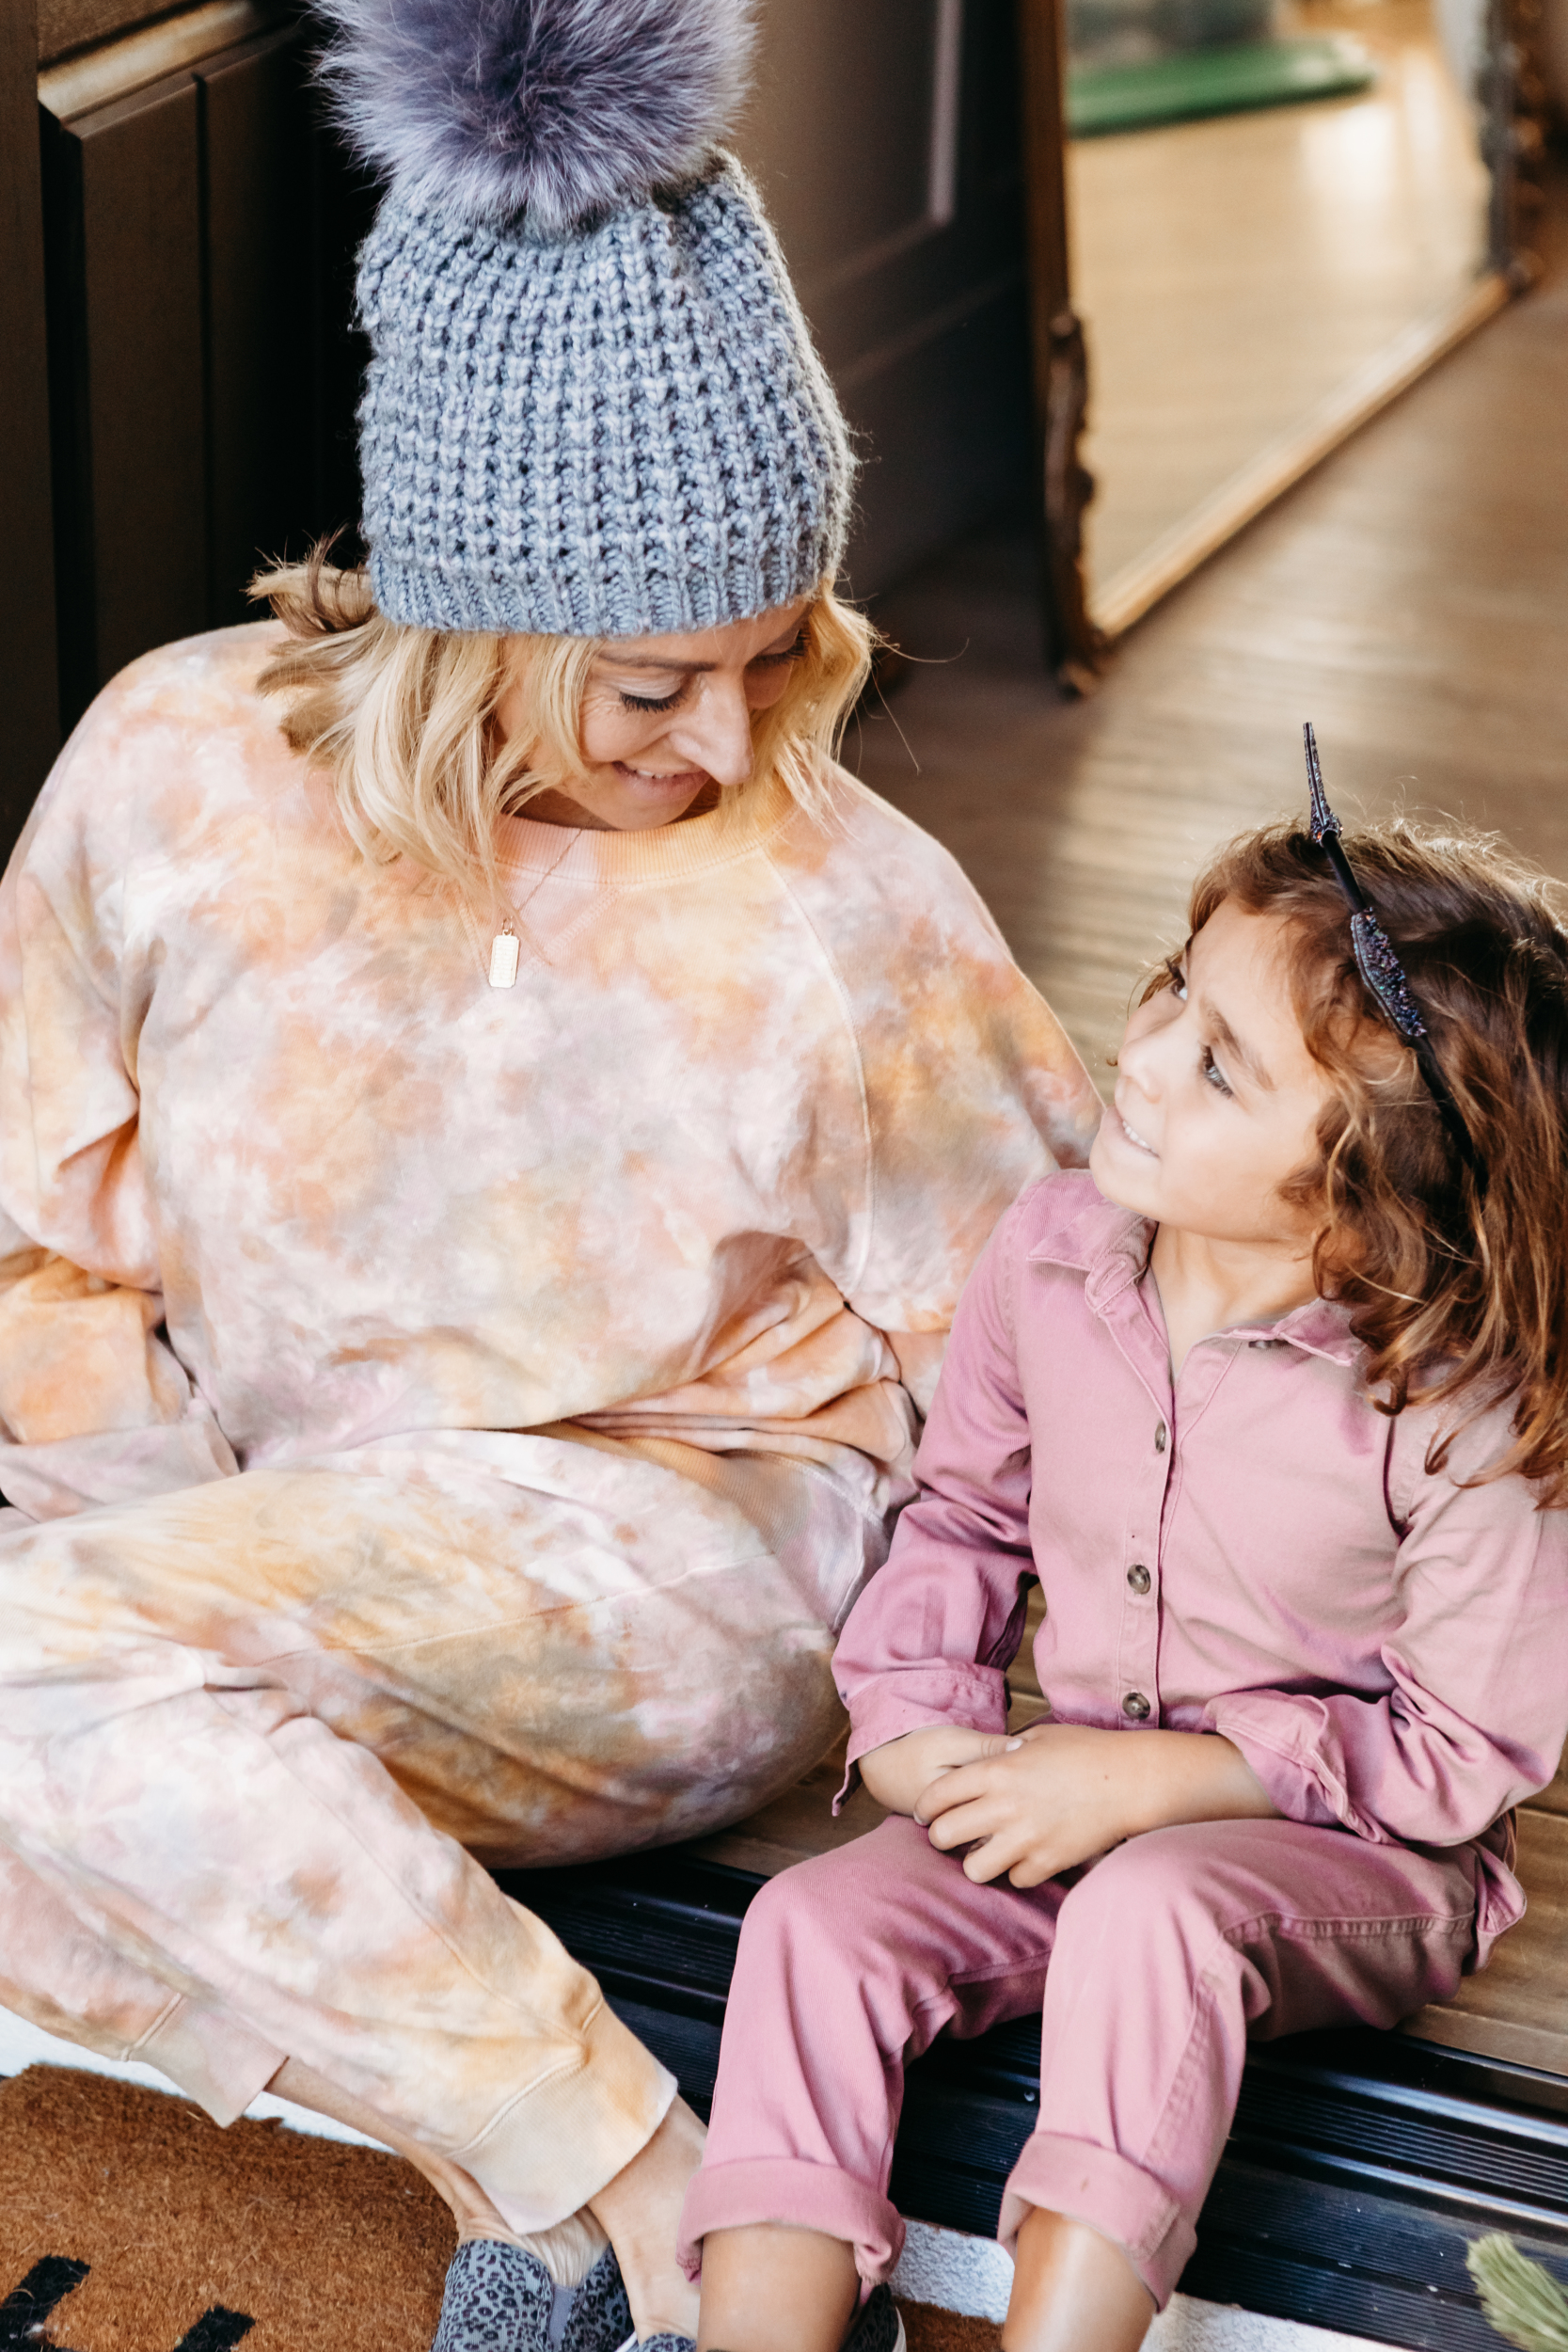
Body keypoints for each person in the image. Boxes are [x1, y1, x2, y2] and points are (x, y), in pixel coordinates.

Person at [0, 5, 1101, 2349]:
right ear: (462, 621)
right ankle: (573, 2160)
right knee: (51, 1676)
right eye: (644, 685)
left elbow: (1060, 1350)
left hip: (681, 1543)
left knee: (33, 1684)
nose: (726, 741)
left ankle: (626, 2196)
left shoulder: (840, 900)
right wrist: (143, 1534)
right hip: (255, 1535)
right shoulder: (173, 770)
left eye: (773, 655)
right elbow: (37, 1234)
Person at [679, 751, 1568, 2352]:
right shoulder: (1055, 1251)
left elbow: (1464, 1759)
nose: (1143, 1050)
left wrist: (1172, 1783)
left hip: (1361, 1864)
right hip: (1075, 1801)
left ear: (1370, 1206)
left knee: (1152, 1909)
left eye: (1221, 1066)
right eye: (1172, 987)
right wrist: (913, 1721)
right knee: (809, 1927)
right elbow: (965, 1517)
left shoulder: (1463, 1406)